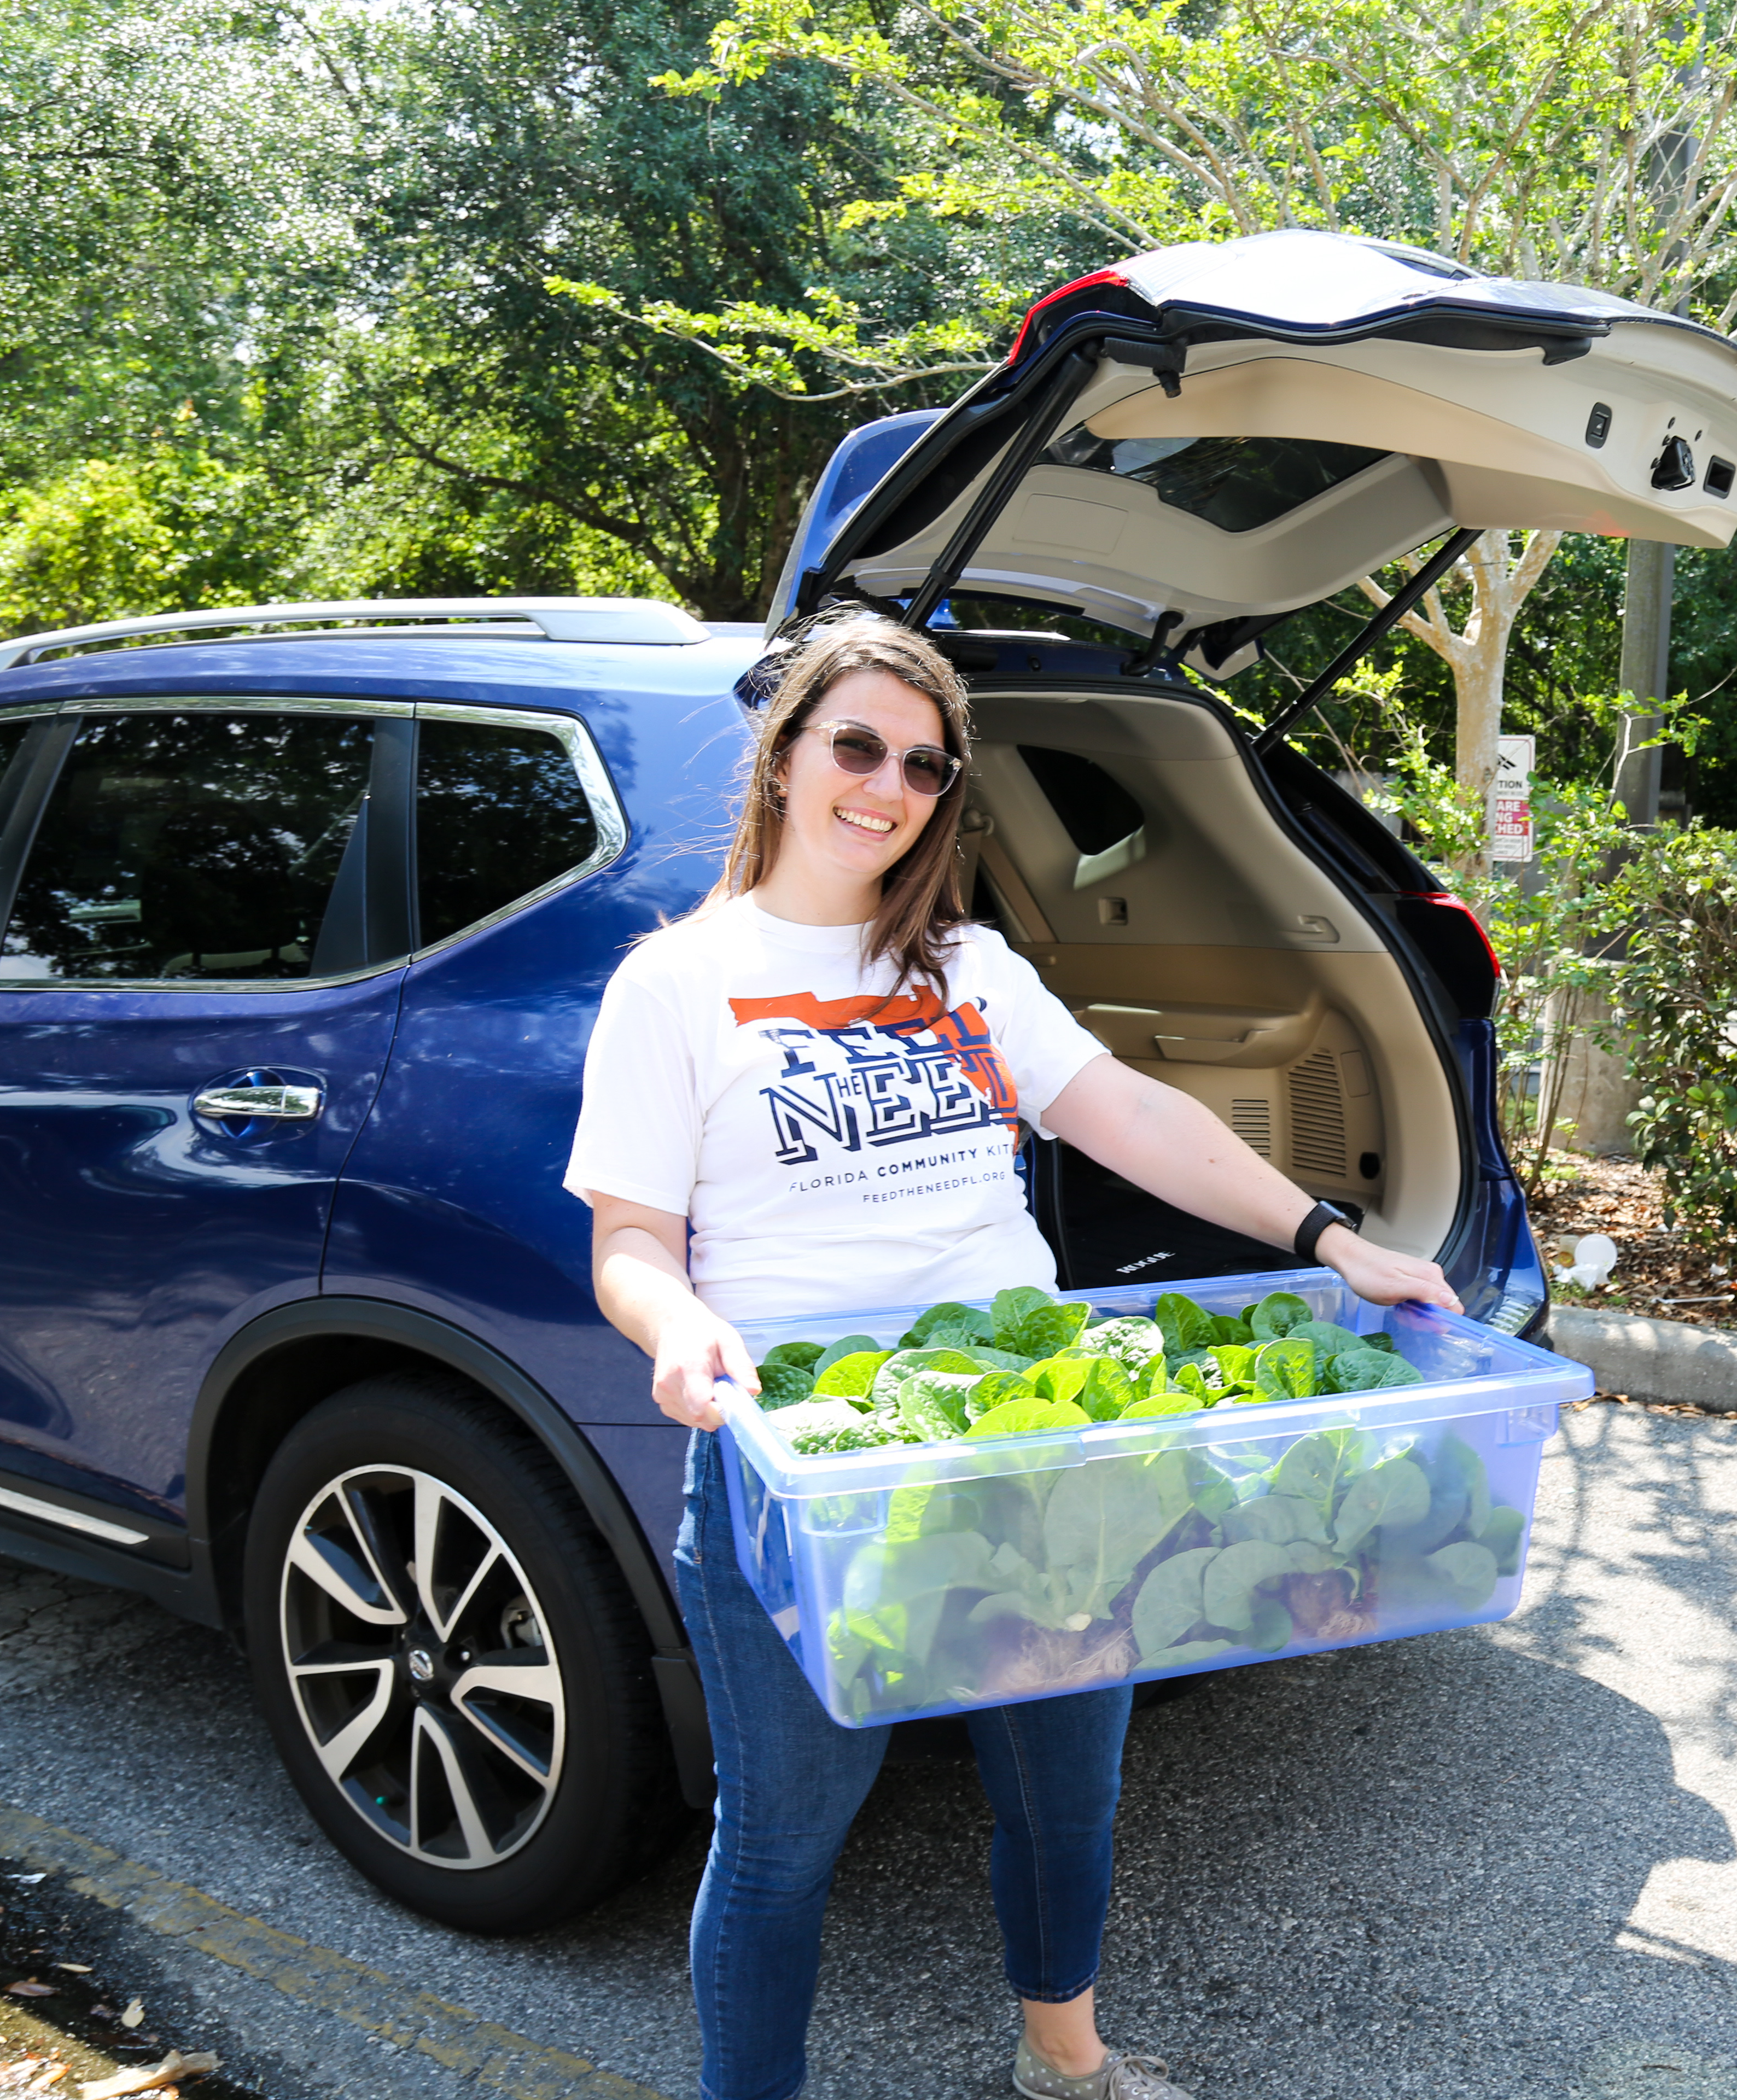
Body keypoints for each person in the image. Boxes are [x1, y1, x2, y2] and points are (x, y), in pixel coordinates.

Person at [567, 617, 1456, 2100]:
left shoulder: (966, 965)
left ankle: (1068, 2065)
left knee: (1066, 1796)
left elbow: (1129, 1112)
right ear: (784, 758)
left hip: (1030, 1452)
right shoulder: (677, 984)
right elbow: (630, 1243)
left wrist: (1326, 1233)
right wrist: (682, 1330)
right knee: (785, 1839)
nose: (887, 783)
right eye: (854, 744)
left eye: (924, 763)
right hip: (810, 1470)